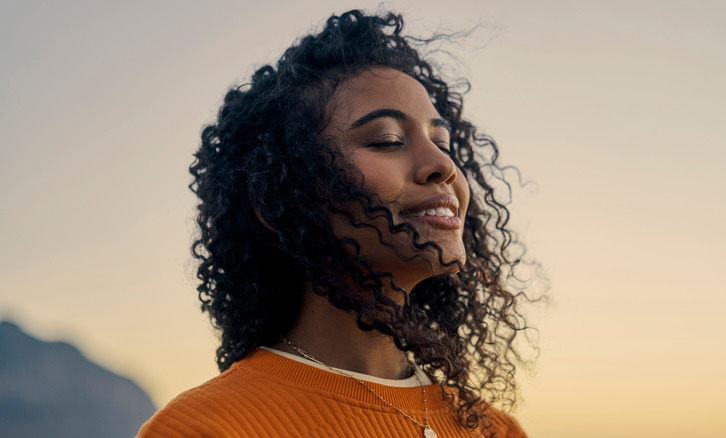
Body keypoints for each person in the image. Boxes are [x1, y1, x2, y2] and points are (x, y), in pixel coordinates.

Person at [138, 9, 533, 438]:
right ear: (280, 199)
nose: (443, 166)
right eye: (387, 140)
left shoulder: (493, 429)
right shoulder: (207, 428)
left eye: (442, 143)